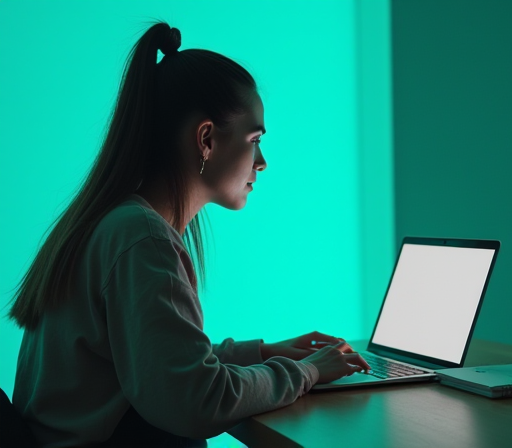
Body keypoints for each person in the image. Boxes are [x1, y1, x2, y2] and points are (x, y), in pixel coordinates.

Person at [8, 22, 370, 448]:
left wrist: (263, 352)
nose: (262, 162)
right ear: (206, 139)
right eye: (254, 140)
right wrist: (307, 372)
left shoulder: (114, 222)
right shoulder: (141, 238)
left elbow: (157, 362)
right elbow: (196, 400)